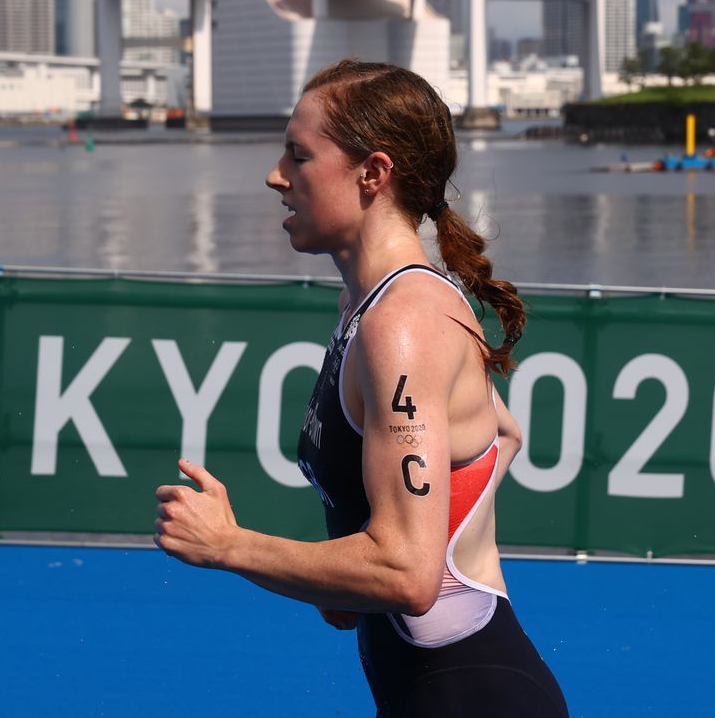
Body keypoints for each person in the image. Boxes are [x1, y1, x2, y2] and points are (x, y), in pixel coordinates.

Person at [154, 59, 569, 717]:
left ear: (373, 174)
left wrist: (230, 545)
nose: (276, 175)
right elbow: (504, 433)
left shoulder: (402, 325)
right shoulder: (372, 306)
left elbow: (407, 573)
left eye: (299, 154)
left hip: (474, 695)